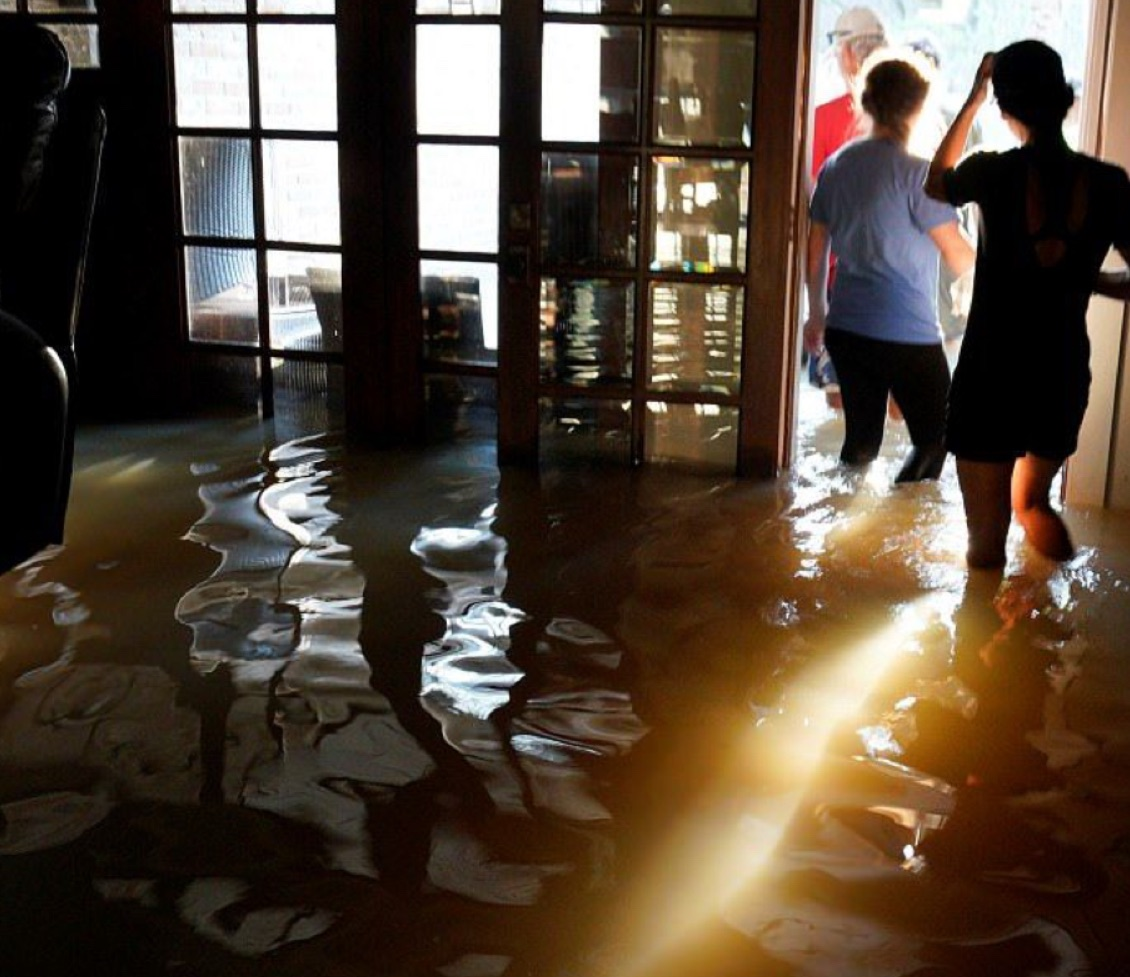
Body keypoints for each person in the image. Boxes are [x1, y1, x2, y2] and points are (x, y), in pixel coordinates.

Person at [925, 41, 1130, 568]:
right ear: (1063, 101)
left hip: (991, 371)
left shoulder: (991, 172)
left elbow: (934, 183)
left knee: (985, 545)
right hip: (1059, 371)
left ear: (1005, 107)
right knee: (1032, 503)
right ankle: (1061, 621)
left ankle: (984, 643)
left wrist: (972, 98)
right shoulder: (1109, 184)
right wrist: (1087, 278)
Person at [804, 53, 975, 483]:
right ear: (919, 109)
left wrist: (817, 312)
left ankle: (846, 532)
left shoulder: (836, 166)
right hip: (907, 334)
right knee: (936, 441)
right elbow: (959, 256)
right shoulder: (918, 175)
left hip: (846, 329)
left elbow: (815, 246)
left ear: (865, 103)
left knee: (860, 445)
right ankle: (899, 529)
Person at [806, 7, 888, 402]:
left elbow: (814, 215)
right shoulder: (914, 122)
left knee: (841, 399)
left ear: (847, 55)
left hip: (842, 279)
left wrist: (815, 307)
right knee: (894, 401)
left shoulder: (820, 120)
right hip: (899, 284)